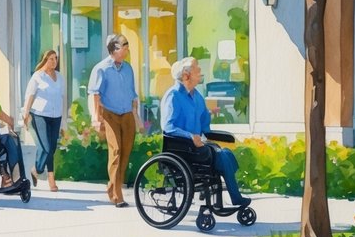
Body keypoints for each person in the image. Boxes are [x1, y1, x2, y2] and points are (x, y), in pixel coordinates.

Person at [161, 57, 250, 207]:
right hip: (182, 150)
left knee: (226, 153)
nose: (200, 71)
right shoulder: (173, 95)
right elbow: (168, 126)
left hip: (197, 148)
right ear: (186, 75)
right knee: (221, 156)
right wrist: (190, 136)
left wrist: (209, 126)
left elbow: (204, 124)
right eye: (196, 68)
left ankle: (220, 195)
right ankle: (235, 197)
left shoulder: (197, 96)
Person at [89, 34, 140, 208]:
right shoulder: (101, 69)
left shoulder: (128, 68)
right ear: (113, 49)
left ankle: (113, 186)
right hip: (110, 114)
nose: (127, 50)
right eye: (123, 46)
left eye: (127, 46)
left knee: (125, 152)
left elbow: (133, 94)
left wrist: (136, 117)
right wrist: (97, 118)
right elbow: (95, 95)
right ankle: (117, 195)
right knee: (116, 150)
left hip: (127, 114)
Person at [21, 49, 64, 191]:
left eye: (55, 58)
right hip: (40, 115)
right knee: (46, 147)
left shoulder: (60, 77)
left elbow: (62, 97)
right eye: (51, 59)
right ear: (45, 60)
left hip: (56, 116)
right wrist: (26, 113)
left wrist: (63, 122)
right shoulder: (38, 76)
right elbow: (30, 95)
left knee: (52, 147)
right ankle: (39, 170)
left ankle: (46, 176)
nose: (54, 61)